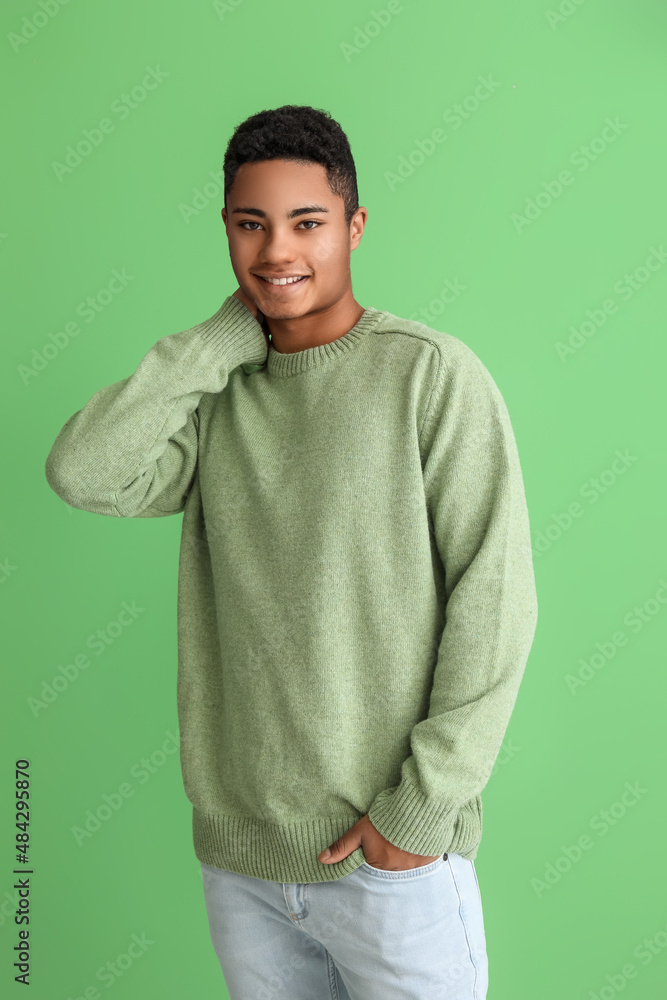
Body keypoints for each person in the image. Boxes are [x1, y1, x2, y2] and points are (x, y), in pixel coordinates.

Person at [44, 104, 538, 999]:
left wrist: (419, 812)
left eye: (306, 223)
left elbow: (494, 599)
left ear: (353, 226)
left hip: (389, 861)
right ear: (226, 231)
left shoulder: (429, 374)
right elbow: (84, 472)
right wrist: (221, 339)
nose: (276, 251)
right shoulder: (216, 399)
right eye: (250, 224)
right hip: (245, 871)